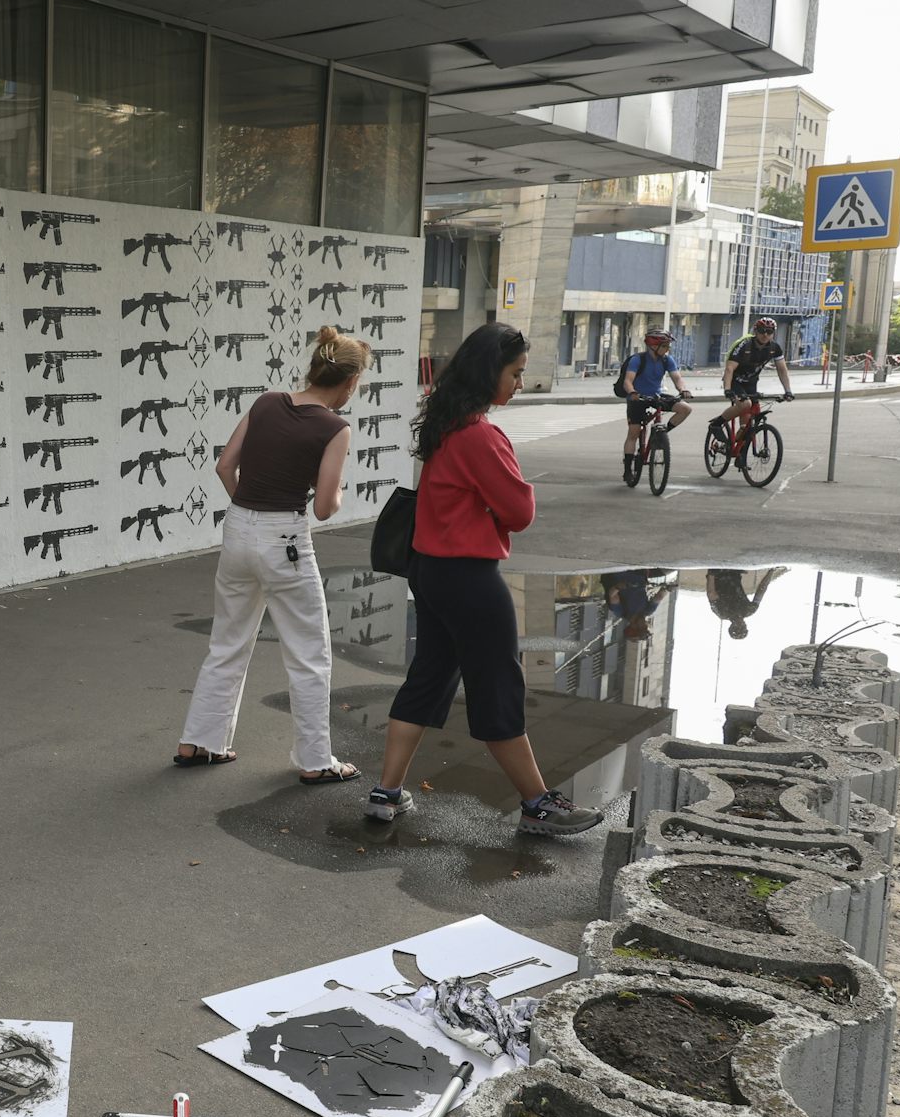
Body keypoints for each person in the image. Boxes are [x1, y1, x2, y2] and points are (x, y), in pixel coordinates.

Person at [364, 322, 604, 835]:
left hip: (428, 571)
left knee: (427, 678)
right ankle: (537, 804)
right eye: (515, 373)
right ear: (489, 371)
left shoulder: (444, 424)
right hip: (469, 578)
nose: (520, 383)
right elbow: (519, 511)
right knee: (497, 685)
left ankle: (386, 792)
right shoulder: (480, 434)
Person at [175, 327, 366, 785]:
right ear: (350, 381)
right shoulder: (335, 428)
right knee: (308, 653)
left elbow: (224, 465)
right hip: (286, 540)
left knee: (227, 642)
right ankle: (316, 760)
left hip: (238, 527)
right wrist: (338, 491)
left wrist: (250, 512)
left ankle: (199, 742)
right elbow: (323, 507)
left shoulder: (266, 401)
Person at [620, 328, 694, 481]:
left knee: (685, 409)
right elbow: (628, 381)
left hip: (656, 395)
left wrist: (683, 389)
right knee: (634, 432)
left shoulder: (667, 360)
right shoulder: (637, 360)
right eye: (665, 345)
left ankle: (662, 434)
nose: (667, 349)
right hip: (637, 397)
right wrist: (633, 393)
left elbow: (677, 378)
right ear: (654, 346)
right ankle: (628, 469)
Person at [714, 317, 793, 438]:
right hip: (735, 380)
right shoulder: (744, 346)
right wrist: (727, 390)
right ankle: (717, 424)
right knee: (745, 404)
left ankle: (739, 449)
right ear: (756, 331)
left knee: (749, 424)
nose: (765, 335)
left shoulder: (774, 348)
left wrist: (788, 391)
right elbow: (729, 368)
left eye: (769, 331)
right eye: (762, 331)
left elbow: (782, 370)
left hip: (751, 382)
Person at [706, 567, 786, 639]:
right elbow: (761, 589)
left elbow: (711, 593)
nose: (741, 624)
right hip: (728, 572)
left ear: (731, 627)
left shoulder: (724, 613)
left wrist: (712, 574)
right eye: (743, 627)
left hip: (723, 573)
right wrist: (771, 571)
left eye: (738, 627)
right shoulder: (747, 610)